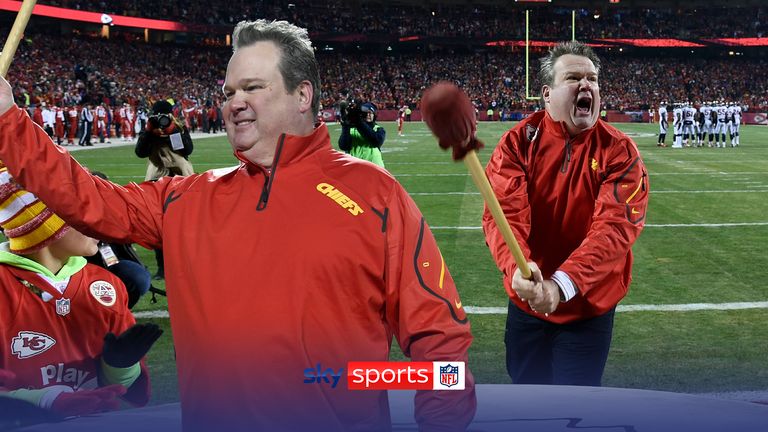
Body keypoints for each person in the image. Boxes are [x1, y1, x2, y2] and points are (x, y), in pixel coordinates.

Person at [0, 19, 475, 432]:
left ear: (302, 93)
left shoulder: (376, 194)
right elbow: (86, 200)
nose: (234, 103)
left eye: (253, 87)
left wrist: (381, 394)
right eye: (229, 91)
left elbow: (442, 345)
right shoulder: (185, 197)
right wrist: (8, 119)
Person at [482, 41, 649, 387]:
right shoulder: (517, 144)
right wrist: (517, 269)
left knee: (575, 406)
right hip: (528, 301)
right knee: (527, 400)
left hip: (587, 307)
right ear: (546, 93)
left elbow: (614, 229)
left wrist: (561, 285)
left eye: (593, 78)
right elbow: (504, 215)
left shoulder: (619, 152)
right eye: (574, 77)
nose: (587, 85)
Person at [0, 163, 162, 422]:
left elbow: (126, 391)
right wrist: (43, 401)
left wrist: (120, 366)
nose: (99, 221)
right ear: (46, 224)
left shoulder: (106, 285)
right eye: (83, 209)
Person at [135, 99, 194, 280]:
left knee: (182, 222)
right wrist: (148, 133)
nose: (161, 119)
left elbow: (187, 150)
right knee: (158, 222)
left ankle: (184, 262)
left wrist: (172, 133)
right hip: (157, 174)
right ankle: (162, 267)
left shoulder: (178, 126)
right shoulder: (150, 129)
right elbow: (141, 152)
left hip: (180, 174)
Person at [338, 100, 386, 168]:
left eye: (370, 113)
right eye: (366, 113)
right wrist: (345, 125)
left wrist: (358, 121)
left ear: (374, 115)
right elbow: (343, 146)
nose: (368, 115)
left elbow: (376, 141)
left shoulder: (378, 129)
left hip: (375, 169)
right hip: (356, 169)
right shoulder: (351, 129)